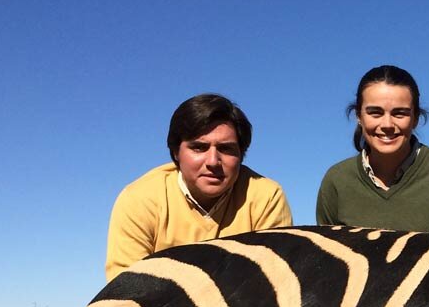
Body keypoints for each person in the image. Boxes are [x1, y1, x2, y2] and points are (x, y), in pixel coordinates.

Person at [105, 94, 292, 281]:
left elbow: (274, 283)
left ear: (241, 155)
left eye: (226, 149)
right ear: (176, 152)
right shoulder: (139, 199)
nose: (213, 161)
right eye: (199, 148)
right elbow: (126, 289)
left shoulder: (266, 197)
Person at [316, 65, 429, 233]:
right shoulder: (336, 180)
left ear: (415, 118)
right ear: (359, 116)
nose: (387, 125)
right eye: (375, 113)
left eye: (399, 113)